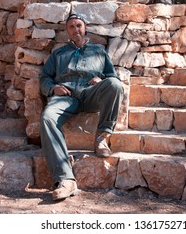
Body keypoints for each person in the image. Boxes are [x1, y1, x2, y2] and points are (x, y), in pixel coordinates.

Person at [39, 13, 124, 201]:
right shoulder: (58, 54)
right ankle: (65, 179)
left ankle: (102, 136)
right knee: (47, 118)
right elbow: (44, 78)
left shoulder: (98, 51)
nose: (75, 29)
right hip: (67, 97)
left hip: (91, 93)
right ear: (67, 32)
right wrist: (53, 88)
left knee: (115, 85)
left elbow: (113, 77)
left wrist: (101, 79)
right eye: (71, 27)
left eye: (78, 25)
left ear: (84, 28)